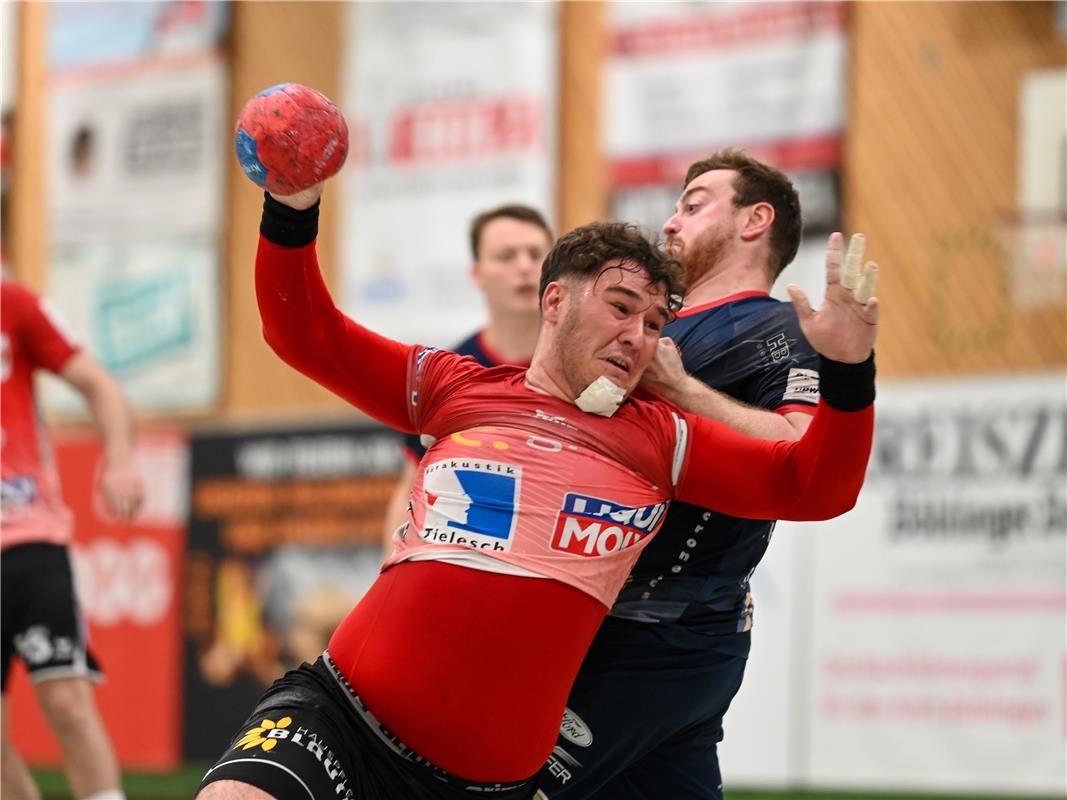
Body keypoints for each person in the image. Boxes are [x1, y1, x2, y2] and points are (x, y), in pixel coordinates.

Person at [196, 172, 879, 800]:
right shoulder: (453, 385)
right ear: (555, 301)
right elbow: (303, 332)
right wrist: (291, 206)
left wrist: (849, 372)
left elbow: (813, 488)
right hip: (339, 714)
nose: (637, 335)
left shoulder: (661, 441)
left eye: (653, 323)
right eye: (619, 307)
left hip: (481, 784)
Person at [537, 149, 875, 799]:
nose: (670, 222)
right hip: (601, 625)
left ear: (754, 221)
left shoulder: (778, 328)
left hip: (664, 634)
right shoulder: (648, 325)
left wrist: (682, 390)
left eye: (692, 206)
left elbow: (800, 450)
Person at [1, 279, 145, 800]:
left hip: (30, 536)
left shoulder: (13, 304)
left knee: (66, 702)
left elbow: (100, 386)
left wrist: (122, 461)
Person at [382, 204, 553, 547]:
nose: (524, 266)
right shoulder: (444, 376)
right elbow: (410, 489)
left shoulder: (587, 365)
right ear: (476, 274)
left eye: (536, 254)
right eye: (506, 256)